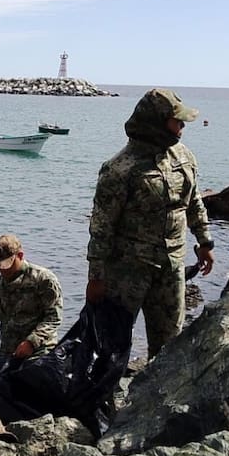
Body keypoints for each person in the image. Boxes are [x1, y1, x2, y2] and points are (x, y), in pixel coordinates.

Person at [85, 88, 213, 357]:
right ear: (157, 122)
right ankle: (105, 397)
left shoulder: (184, 157)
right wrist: (96, 277)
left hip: (172, 267)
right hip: (127, 271)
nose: (182, 127)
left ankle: (155, 397)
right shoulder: (120, 169)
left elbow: (194, 201)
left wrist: (204, 241)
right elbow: (101, 227)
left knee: (169, 345)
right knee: (111, 345)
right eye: (177, 121)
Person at [0, 234, 62, 369]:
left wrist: (32, 341)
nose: (3, 269)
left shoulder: (44, 280)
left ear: (20, 256)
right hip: (8, 356)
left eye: (7, 265)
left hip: (41, 353)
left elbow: (53, 317)